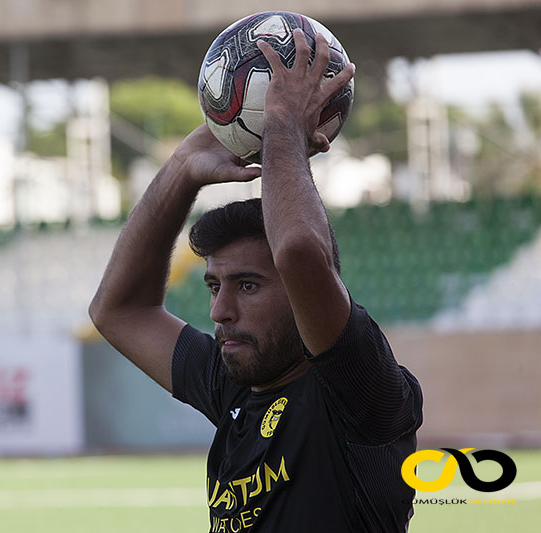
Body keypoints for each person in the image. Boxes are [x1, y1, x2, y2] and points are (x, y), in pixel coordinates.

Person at [89, 29, 423, 532]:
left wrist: (282, 124)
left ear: (305, 295)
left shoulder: (358, 389)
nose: (220, 310)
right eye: (213, 286)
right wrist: (182, 170)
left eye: (247, 286)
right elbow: (118, 312)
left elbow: (300, 252)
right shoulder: (233, 386)